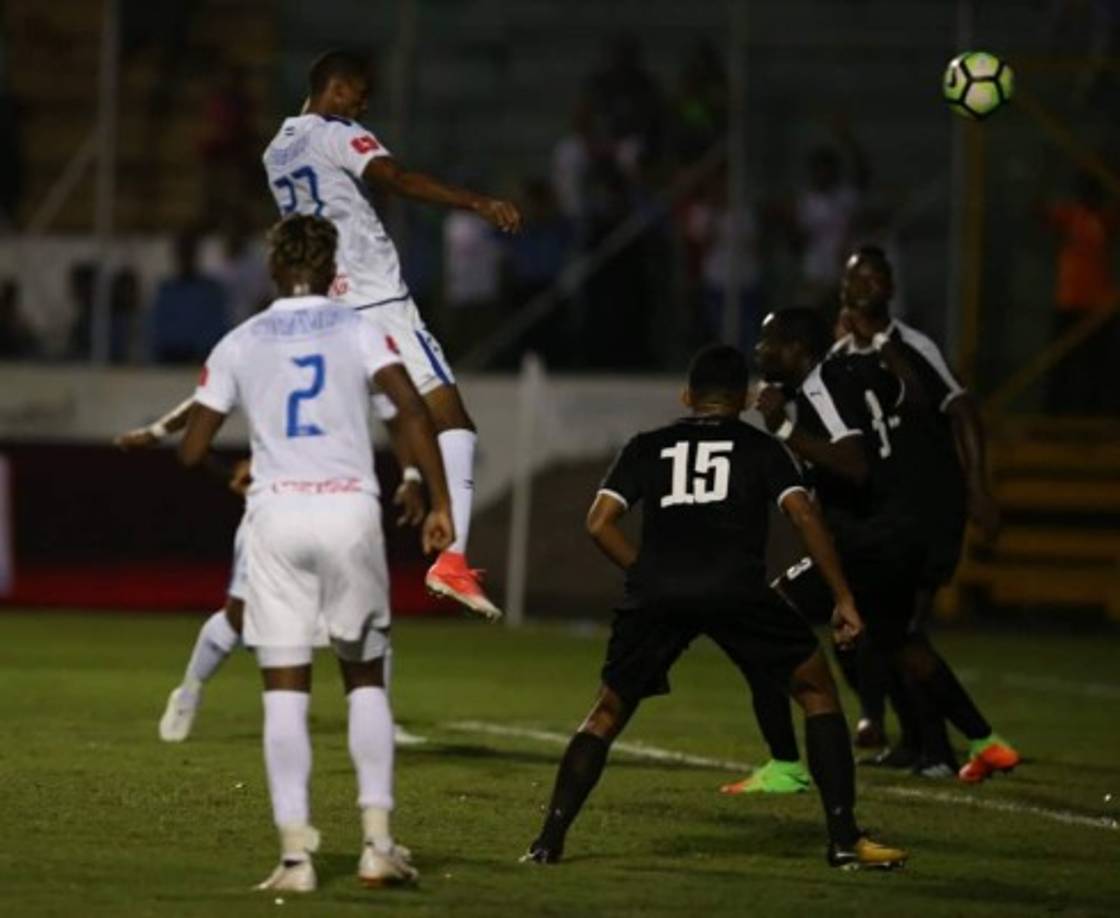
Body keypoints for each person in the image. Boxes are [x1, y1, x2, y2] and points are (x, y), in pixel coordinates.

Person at [522, 344, 907, 871]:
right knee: (816, 688)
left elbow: (598, 523)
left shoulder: (646, 446)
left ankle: (548, 842)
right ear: (747, 399)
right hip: (737, 589)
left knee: (607, 712)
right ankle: (843, 839)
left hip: (659, 592)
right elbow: (804, 517)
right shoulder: (763, 448)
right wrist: (843, 596)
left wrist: (646, 573)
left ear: (686, 396)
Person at [178, 213, 453, 892]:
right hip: (347, 510)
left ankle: (297, 858)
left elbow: (189, 449)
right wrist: (439, 501)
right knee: (364, 680)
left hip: (276, 516)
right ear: (334, 271)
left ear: (274, 269)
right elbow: (412, 413)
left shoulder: (240, 340)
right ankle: (377, 845)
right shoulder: (361, 328)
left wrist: (230, 473)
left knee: (284, 694)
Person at [262, 49, 521, 618]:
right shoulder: (335, 132)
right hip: (377, 298)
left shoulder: (276, 149)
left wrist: (408, 470)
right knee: (453, 419)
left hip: (329, 307)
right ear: (334, 88)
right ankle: (453, 559)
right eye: (358, 90)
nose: (364, 102)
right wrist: (477, 202)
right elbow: (394, 178)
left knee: (390, 415)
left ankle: (305, 565)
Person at [751, 306, 1019, 784]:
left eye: (769, 341)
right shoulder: (855, 376)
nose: (759, 350)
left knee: (768, 612)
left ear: (797, 350)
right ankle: (984, 742)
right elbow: (909, 397)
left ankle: (787, 763)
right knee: (900, 642)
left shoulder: (820, 385)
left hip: (870, 538)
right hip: (900, 530)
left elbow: (854, 464)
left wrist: (785, 430)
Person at [115, 397, 427, 747]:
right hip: (274, 513)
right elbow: (209, 398)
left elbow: (397, 410)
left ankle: (378, 720)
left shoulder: (351, 355)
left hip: (337, 510)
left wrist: (411, 474)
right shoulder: (259, 349)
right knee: (239, 615)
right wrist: (156, 432)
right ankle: (189, 692)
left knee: (367, 615)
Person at [148, 231, 229, 364]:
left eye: (189, 252)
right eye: (182, 252)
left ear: (195, 254)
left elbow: (217, 331)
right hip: (170, 363)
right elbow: (157, 333)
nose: (185, 257)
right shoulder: (166, 291)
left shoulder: (211, 291)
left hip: (201, 363)